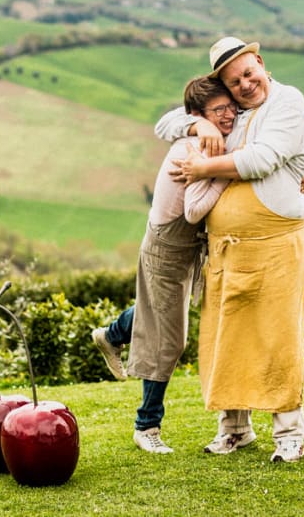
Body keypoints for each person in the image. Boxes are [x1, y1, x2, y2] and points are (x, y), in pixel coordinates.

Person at [155, 36, 304, 463]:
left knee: (277, 337)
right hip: (226, 248)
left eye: (248, 73)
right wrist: (199, 125)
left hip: (278, 243)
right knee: (227, 339)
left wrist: (203, 167)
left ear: (261, 62)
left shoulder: (288, 101)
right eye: (234, 81)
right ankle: (235, 430)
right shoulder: (233, 112)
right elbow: (164, 124)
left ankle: (289, 436)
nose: (245, 85)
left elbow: (263, 159)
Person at [92, 76, 236, 454]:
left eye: (229, 106)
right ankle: (146, 426)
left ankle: (111, 334)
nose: (228, 114)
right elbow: (192, 212)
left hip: (183, 251)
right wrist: (224, 175)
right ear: (198, 115)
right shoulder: (194, 149)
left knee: (159, 319)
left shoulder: (213, 141)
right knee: (168, 340)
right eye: (218, 110)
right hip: (166, 248)